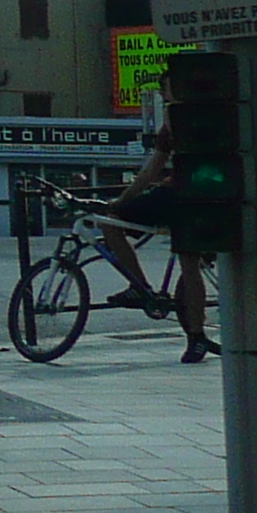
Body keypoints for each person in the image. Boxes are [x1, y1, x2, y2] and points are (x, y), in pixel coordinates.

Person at [95, 124, 220, 363]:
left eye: (164, 86)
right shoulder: (219, 117)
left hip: (175, 196)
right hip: (212, 198)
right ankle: (196, 337)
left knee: (111, 222)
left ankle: (139, 287)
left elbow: (152, 170)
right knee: (191, 265)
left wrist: (122, 201)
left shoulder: (174, 123)